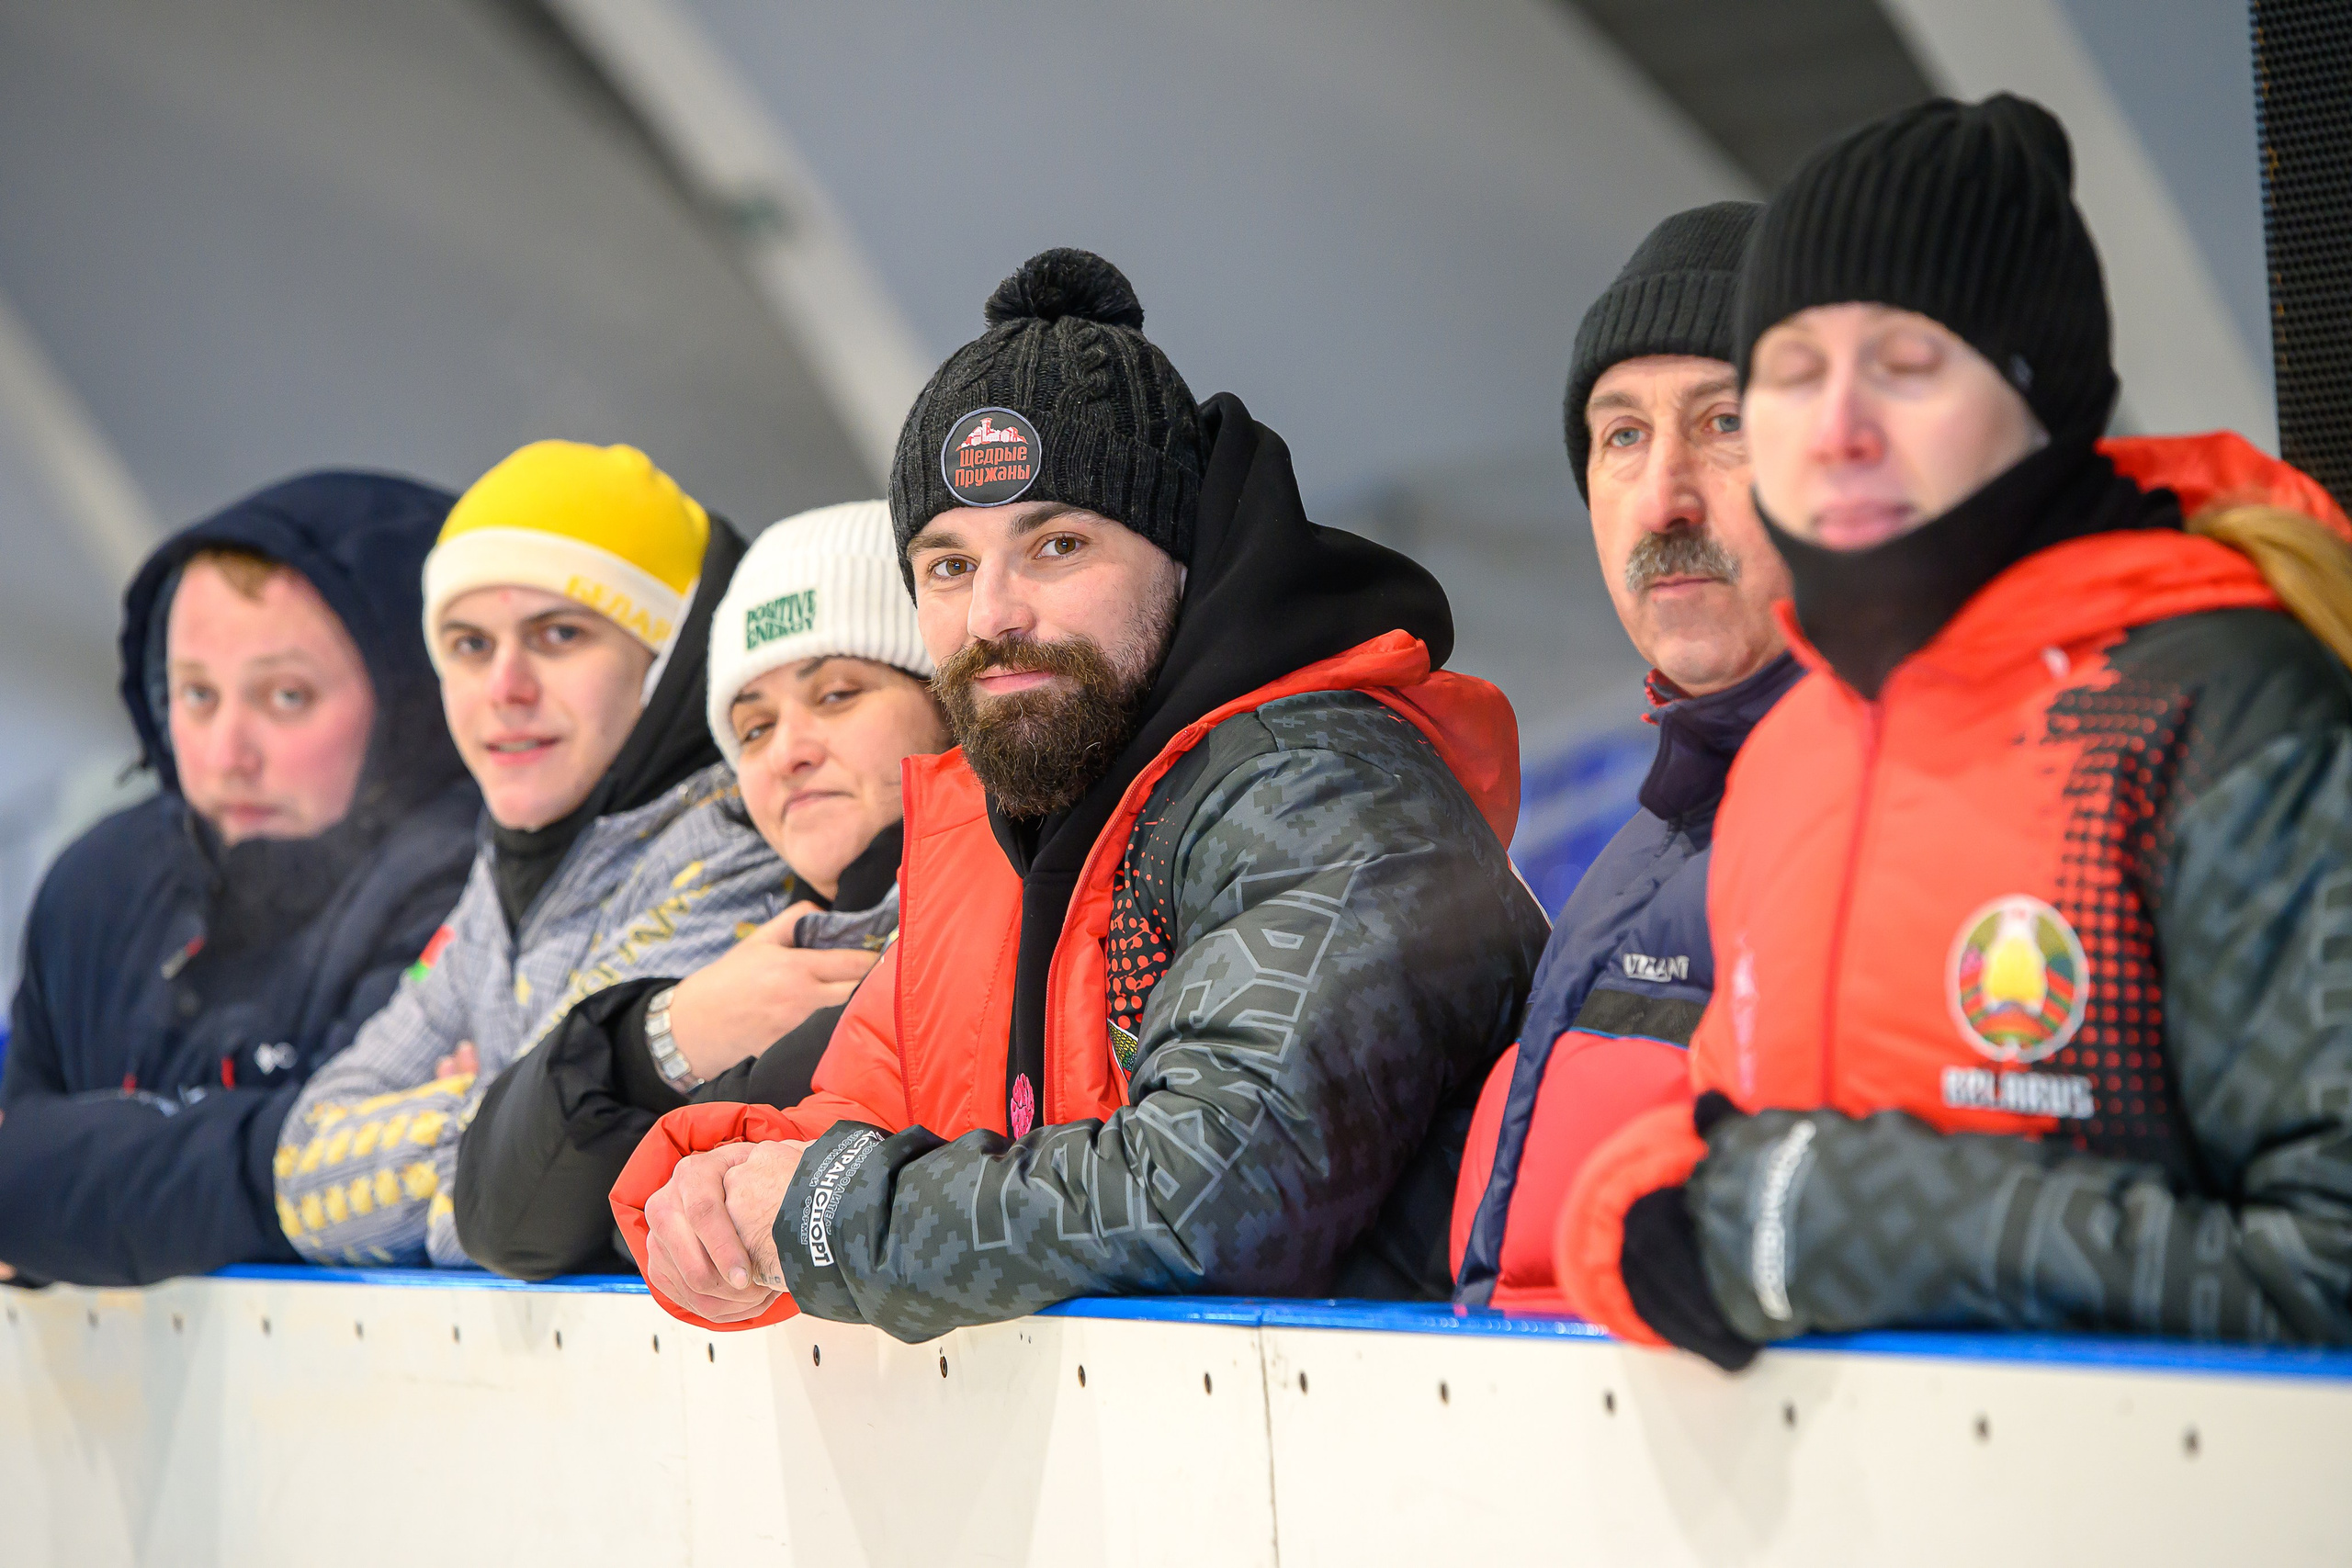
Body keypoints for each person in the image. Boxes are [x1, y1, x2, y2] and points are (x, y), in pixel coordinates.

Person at [613, 248, 1550, 1338]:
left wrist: (822, 1216)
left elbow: (1210, 1201)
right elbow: (855, 1118)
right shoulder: (1012, 815)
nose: (993, 611)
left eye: (1056, 544)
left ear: (1182, 554)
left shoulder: (1320, 791)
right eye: (948, 564)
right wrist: (712, 1192)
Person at [1558, 95, 2352, 1368]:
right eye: (1795, 374)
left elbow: (2329, 1266)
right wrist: (1630, 1213)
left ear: (2043, 392)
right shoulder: (1800, 752)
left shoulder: (2221, 713)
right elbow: (1727, 1151)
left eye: (1908, 365)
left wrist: (1833, 1222)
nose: (1840, 427)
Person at [275, 440, 785, 1267]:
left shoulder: (744, 850)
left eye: (558, 634)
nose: (505, 686)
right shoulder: (504, 874)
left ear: (669, 663)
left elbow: (522, 1188)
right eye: (470, 645)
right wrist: (486, 1122)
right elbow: (304, 1174)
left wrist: (457, 1122)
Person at [0, 473, 479, 1286]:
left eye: (286, 697)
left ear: (416, 697)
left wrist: (63, 1187)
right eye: (195, 694)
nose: (226, 753)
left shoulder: (480, 885)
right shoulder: (99, 887)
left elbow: (358, 1187)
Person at [452, 502, 947, 1279]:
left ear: (950, 697)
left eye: (837, 694)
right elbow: (507, 1215)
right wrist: (659, 1039)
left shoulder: (991, 919)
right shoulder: (770, 949)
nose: (788, 753)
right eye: (752, 728)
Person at [1451, 201, 1798, 1310]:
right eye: (1621, 435)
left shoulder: (1907, 816)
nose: (1663, 500)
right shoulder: (1642, 848)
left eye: (1725, 421)